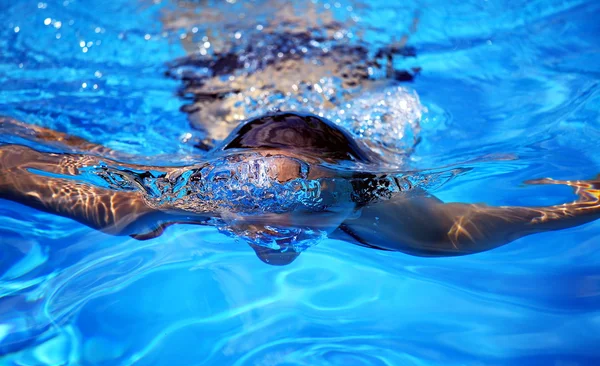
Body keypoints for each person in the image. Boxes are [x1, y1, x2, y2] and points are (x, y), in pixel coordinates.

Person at [1, 113, 599, 265]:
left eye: (306, 204)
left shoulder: (423, 225)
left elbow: (574, 206)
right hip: (223, 117)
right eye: (251, 203)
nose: (270, 228)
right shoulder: (175, 197)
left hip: (365, 113)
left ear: (353, 194)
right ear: (222, 189)